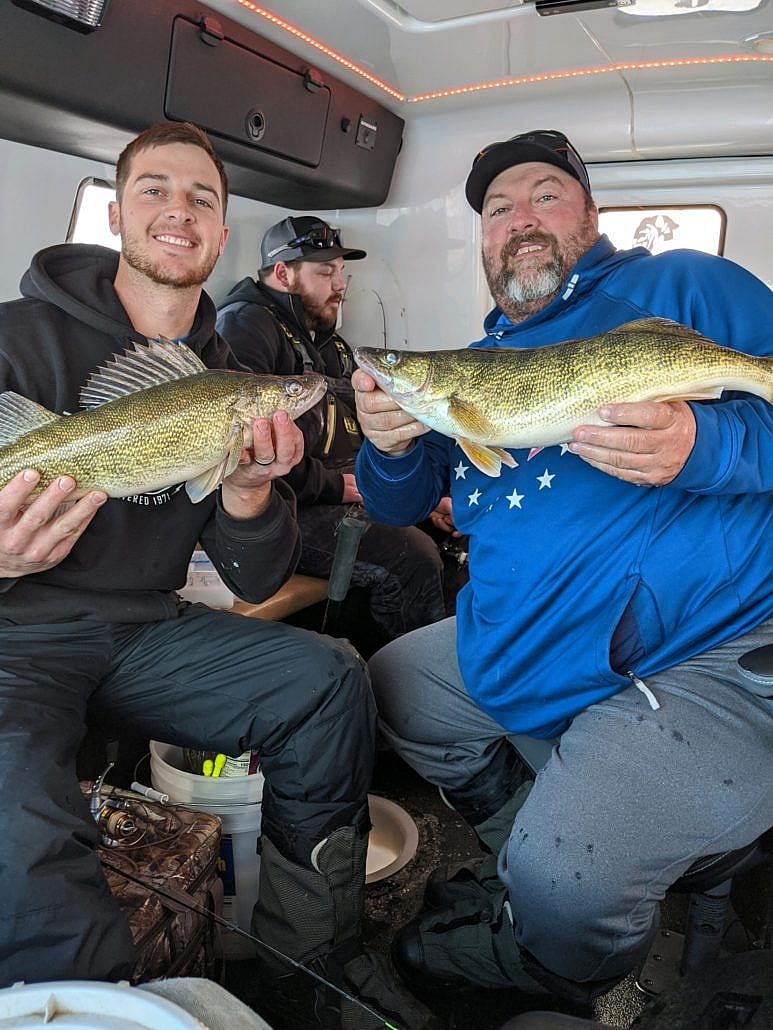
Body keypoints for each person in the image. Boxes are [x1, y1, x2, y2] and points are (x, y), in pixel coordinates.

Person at [0, 121, 436, 1030]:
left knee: (326, 683)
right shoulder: (14, 338)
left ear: (223, 233)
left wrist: (245, 493)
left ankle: (309, 966)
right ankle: (98, 1007)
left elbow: (253, 574)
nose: (177, 210)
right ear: (117, 214)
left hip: (145, 631)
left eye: (201, 197)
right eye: (154, 190)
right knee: (16, 801)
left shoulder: (224, 378)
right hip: (17, 633)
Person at [352, 129, 773, 1003]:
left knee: (566, 885)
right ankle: (527, 845)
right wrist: (386, 442)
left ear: (589, 213)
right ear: (483, 243)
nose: (519, 219)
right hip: (526, 635)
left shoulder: (684, 286)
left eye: (545, 194)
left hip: (698, 647)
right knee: (385, 688)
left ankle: (561, 947)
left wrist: (705, 442)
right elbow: (397, 502)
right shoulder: (479, 360)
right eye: (497, 209)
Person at [216, 216, 447, 643]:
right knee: (412, 558)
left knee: (444, 530)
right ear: (283, 273)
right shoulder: (246, 326)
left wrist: (416, 495)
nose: (340, 284)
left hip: (339, 489)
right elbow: (244, 445)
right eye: (325, 272)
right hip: (287, 504)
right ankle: (405, 681)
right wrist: (335, 488)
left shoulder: (328, 340)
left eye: (343, 272)